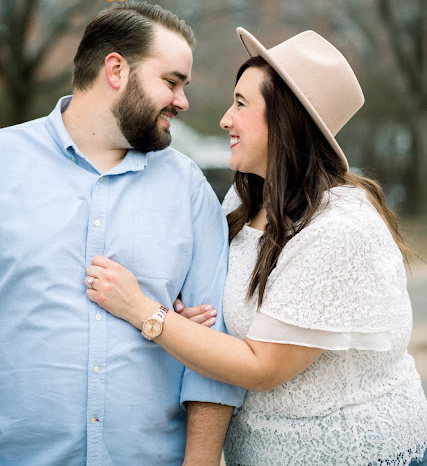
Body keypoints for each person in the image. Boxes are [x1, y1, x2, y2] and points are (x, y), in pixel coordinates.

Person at [85, 27, 427, 466]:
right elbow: (238, 314)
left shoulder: (340, 229)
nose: (226, 119)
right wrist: (194, 321)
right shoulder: (246, 199)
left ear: (286, 120)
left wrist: (143, 310)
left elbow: (262, 366)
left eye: (242, 105)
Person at [0, 2, 244, 466]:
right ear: (116, 69)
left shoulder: (190, 189)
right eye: (171, 82)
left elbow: (216, 355)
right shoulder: (4, 163)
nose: (183, 101)